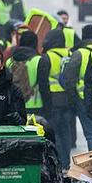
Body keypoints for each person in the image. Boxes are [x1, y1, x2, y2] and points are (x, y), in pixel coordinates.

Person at [36, 29, 75, 167]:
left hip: (53, 100)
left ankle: (58, 162)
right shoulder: (70, 54)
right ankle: (66, 162)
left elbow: (43, 84)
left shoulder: (47, 57)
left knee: (56, 132)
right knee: (67, 132)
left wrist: (46, 106)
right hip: (68, 100)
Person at [63, 25, 92, 150]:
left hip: (84, 99)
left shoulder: (79, 54)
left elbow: (69, 80)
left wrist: (72, 101)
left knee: (91, 135)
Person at [7, 30, 43, 115]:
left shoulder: (9, 62)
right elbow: (43, 86)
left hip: (15, 105)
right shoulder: (38, 60)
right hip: (35, 106)